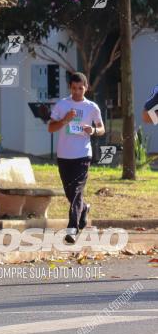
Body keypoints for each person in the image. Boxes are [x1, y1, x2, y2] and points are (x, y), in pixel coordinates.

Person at [47, 72, 105, 245]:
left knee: (77, 191)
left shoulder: (92, 107)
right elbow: (51, 128)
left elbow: (102, 128)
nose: (77, 92)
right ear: (70, 87)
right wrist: (65, 120)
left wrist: (93, 130)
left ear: (86, 88)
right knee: (70, 193)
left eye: (81, 88)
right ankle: (84, 208)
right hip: (64, 155)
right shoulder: (62, 105)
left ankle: (72, 229)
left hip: (83, 155)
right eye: (74, 88)